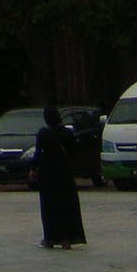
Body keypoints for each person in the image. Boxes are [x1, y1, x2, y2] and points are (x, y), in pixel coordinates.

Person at [34, 104, 87, 250]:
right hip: (64, 173)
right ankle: (66, 238)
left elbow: (38, 154)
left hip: (47, 175)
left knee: (50, 207)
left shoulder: (43, 134)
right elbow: (73, 154)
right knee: (66, 206)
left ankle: (50, 237)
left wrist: (33, 169)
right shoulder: (67, 134)